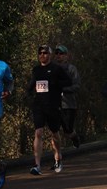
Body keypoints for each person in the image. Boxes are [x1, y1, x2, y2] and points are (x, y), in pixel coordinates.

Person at [27, 45, 72, 176]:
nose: (42, 55)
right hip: (39, 106)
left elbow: (68, 82)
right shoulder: (36, 70)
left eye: (45, 53)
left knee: (55, 133)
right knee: (38, 132)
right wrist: (29, 91)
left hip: (53, 106)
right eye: (40, 53)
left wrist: (56, 83)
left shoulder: (56, 69)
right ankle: (37, 165)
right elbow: (32, 84)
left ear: (50, 55)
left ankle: (58, 157)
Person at [54, 45, 81, 148]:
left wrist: (63, 89)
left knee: (68, 130)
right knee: (54, 129)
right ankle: (58, 155)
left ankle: (75, 137)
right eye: (57, 53)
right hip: (55, 104)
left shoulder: (71, 69)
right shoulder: (52, 69)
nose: (58, 56)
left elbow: (77, 85)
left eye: (61, 53)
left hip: (69, 104)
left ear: (66, 55)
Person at [0, 43, 13, 189]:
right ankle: (0, 167)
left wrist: (8, 91)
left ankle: (0, 168)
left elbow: (10, 82)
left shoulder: (2, 66)